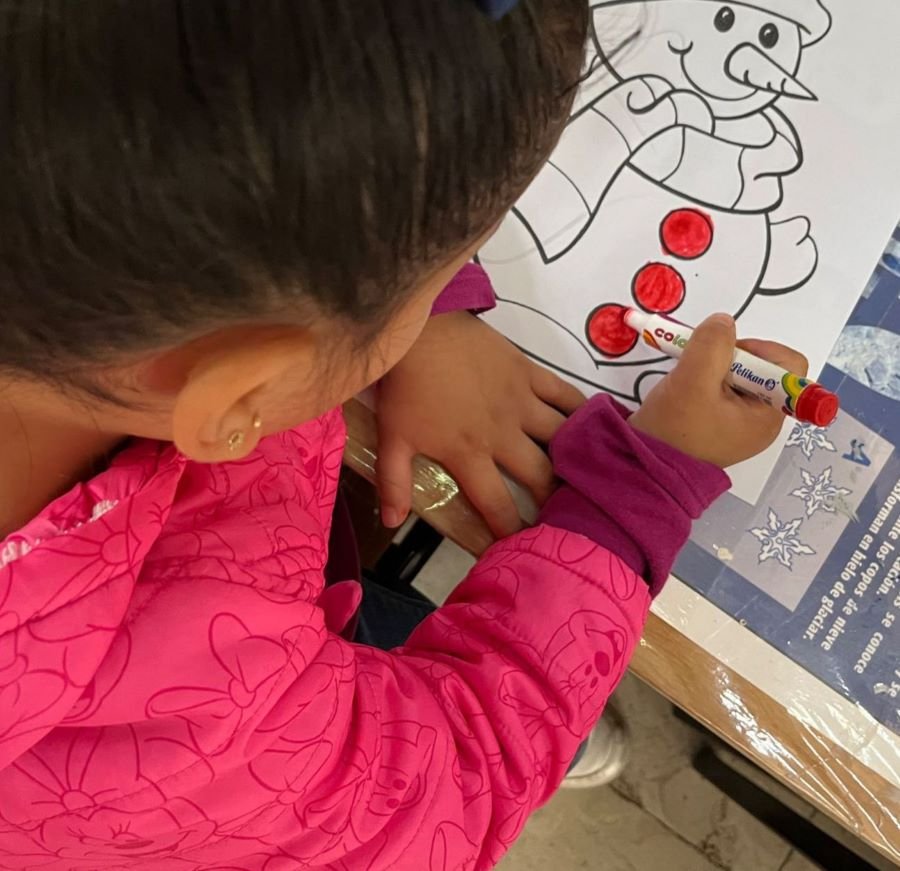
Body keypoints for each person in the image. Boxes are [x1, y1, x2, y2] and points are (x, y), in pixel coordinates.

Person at [0, 2, 807, 869]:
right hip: (321, 725)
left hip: (272, 598)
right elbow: (453, 779)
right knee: (450, 679)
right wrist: (644, 487)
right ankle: (571, 744)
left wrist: (399, 303)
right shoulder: (176, 730)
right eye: (440, 268)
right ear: (244, 394)